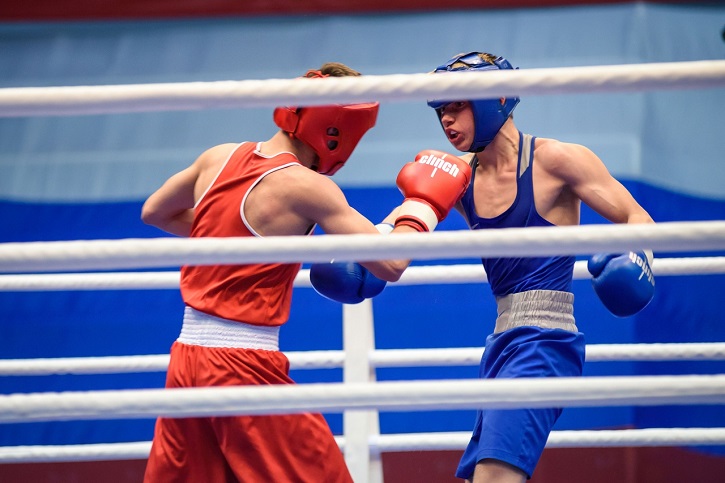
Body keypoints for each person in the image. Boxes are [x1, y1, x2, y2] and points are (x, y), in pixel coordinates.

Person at [140, 61, 471, 482]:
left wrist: (246, 244)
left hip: (186, 358)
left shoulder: (218, 158)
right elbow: (389, 264)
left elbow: (155, 212)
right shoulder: (306, 187)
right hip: (241, 368)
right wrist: (424, 205)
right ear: (337, 130)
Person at [425, 52, 656, 482]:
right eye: (441, 110)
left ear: (495, 99)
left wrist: (636, 257)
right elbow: (405, 223)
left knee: (495, 477)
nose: (446, 119)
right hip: (501, 344)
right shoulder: (458, 179)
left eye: (456, 105)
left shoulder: (556, 160)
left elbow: (637, 217)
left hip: (545, 340)